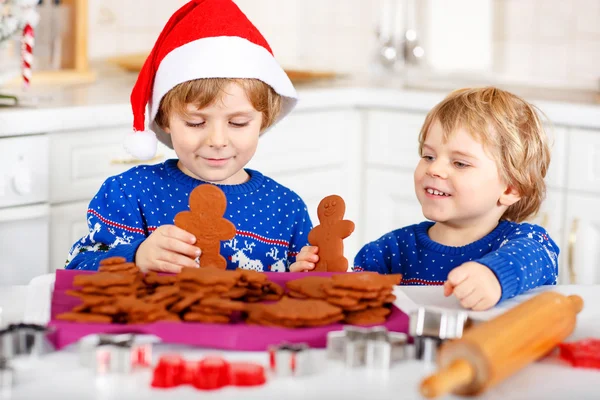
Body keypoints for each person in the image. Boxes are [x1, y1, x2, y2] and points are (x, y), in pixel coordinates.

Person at [65, 0, 311, 273]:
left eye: (238, 123)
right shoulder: (130, 194)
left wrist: (303, 278)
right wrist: (137, 256)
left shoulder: (287, 210)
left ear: (264, 119)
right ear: (164, 119)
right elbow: (75, 269)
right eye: (196, 122)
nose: (217, 140)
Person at [292, 87, 558, 311]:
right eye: (429, 156)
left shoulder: (526, 243)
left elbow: (537, 258)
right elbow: (355, 305)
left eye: (460, 163)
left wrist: (495, 276)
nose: (434, 169)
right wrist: (321, 281)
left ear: (511, 188)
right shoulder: (389, 251)